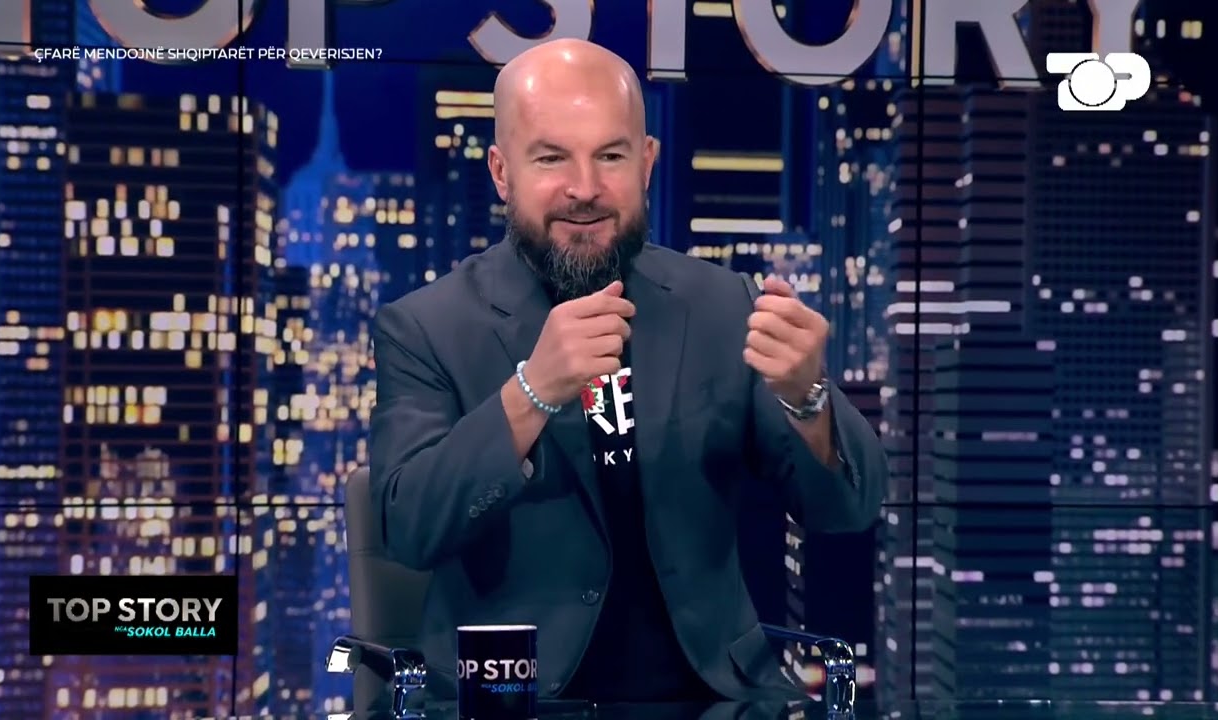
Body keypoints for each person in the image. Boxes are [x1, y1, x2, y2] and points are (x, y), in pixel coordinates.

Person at [369, 38, 887, 703]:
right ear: (502, 172)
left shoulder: (723, 304)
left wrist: (806, 397)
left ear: (646, 163)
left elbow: (848, 508)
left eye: (610, 156)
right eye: (551, 157)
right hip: (511, 699)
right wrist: (532, 392)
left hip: (710, 699)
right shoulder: (426, 326)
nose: (585, 188)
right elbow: (409, 529)